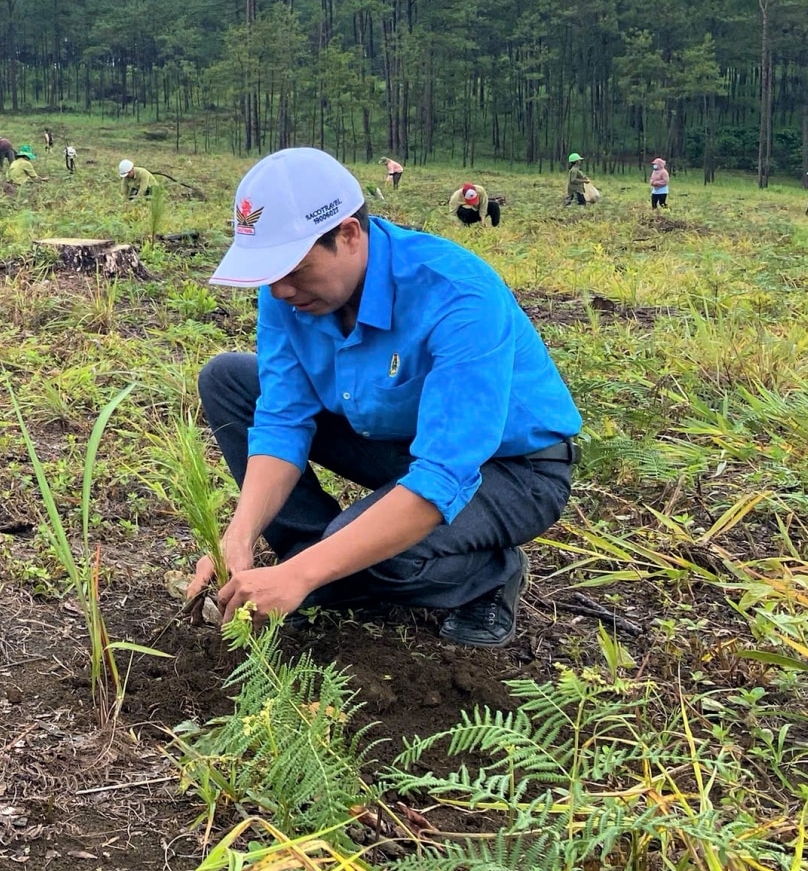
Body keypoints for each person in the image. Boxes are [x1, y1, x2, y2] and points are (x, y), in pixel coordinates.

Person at [187, 148, 580, 648]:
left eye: (295, 269)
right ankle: (312, 557)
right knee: (229, 379)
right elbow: (282, 420)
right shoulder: (285, 291)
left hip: (510, 469)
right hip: (395, 437)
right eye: (269, 274)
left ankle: (489, 572)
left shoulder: (457, 294)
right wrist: (237, 540)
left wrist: (307, 575)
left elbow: (443, 474)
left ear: (349, 235)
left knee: (379, 556)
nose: (280, 290)